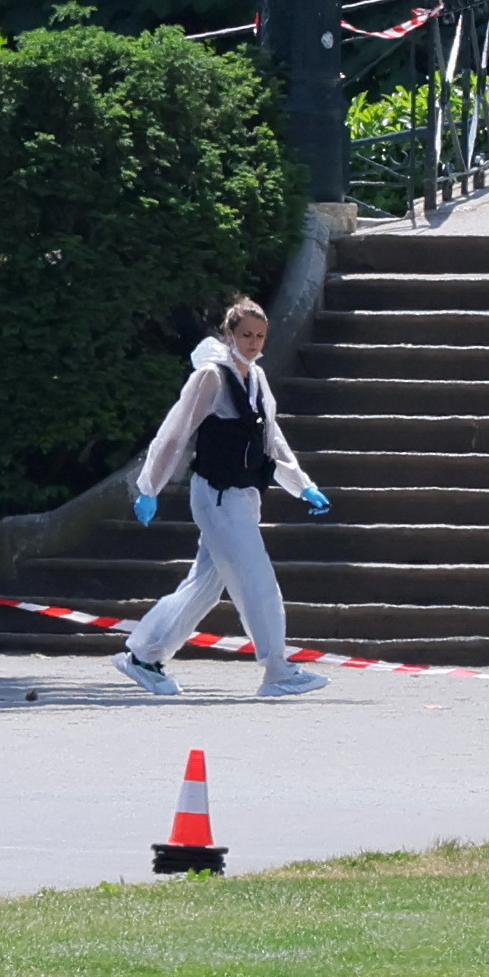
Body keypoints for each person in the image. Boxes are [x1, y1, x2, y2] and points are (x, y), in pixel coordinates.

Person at [112, 296, 333, 697]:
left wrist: (302, 484)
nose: (253, 343)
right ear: (229, 333)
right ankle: (276, 669)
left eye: (261, 336)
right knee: (256, 576)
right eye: (246, 334)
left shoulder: (257, 379)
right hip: (216, 495)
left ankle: (143, 655)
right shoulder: (210, 377)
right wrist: (149, 487)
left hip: (243, 495)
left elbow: (271, 438)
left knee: (204, 585)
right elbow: (174, 433)